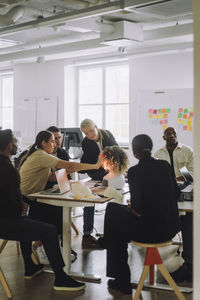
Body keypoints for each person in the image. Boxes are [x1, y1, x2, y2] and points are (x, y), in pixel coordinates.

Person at [0, 129, 85, 291]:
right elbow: (14, 202)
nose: (17, 143)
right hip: (6, 222)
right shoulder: (8, 168)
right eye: (14, 141)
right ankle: (60, 278)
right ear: (9, 145)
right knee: (49, 230)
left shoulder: (8, 165)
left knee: (31, 223)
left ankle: (30, 267)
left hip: (6, 218)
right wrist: (21, 206)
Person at [100, 134, 180, 294]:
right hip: (171, 228)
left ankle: (122, 279)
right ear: (151, 148)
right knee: (116, 219)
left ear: (135, 153)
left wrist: (132, 206)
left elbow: (138, 210)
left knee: (112, 212)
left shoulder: (135, 172)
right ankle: (108, 243)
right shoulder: (165, 165)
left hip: (151, 232)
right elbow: (176, 194)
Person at [18, 130, 102, 243]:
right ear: (43, 143)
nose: (56, 144)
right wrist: (95, 166)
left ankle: (50, 243)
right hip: (26, 198)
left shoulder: (40, 154)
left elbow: (52, 177)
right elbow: (70, 165)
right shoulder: (41, 155)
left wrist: (69, 170)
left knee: (59, 210)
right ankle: (42, 244)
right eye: (52, 141)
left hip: (31, 195)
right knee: (58, 212)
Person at [154, 126, 193, 282]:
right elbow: (157, 177)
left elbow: (192, 174)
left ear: (177, 135)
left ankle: (189, 261)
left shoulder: (187, 151)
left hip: (186, 188)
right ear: (164, 137)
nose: (171, 135)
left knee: (188, 220)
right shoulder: (158, 154)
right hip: (166, 192)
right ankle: (174, 261)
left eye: (173, 133)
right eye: (168, 134)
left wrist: (178, 180)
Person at [80, 119, 118, 249]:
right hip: (96, 174)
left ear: (96, 127)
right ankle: (87, 234)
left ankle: (115, 233)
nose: (90, 135)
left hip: (112, 171)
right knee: (89, 200)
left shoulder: (107, 135)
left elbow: (116, 151)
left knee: (116, 199)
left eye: (91, 131)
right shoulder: (86, 142)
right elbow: (94, 162)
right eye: (86, 133)